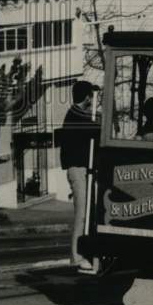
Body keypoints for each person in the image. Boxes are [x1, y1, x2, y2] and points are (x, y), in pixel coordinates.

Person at [57, 80, 100, 273]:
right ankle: (77, 257)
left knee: (88, 213)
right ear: (86, 97)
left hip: (83, 169)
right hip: (78, 169)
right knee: (82, 213)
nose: (92, 99)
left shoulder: (76, 114)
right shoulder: (76, 115)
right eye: (91, 95)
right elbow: (96, 128)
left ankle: (86, 253)